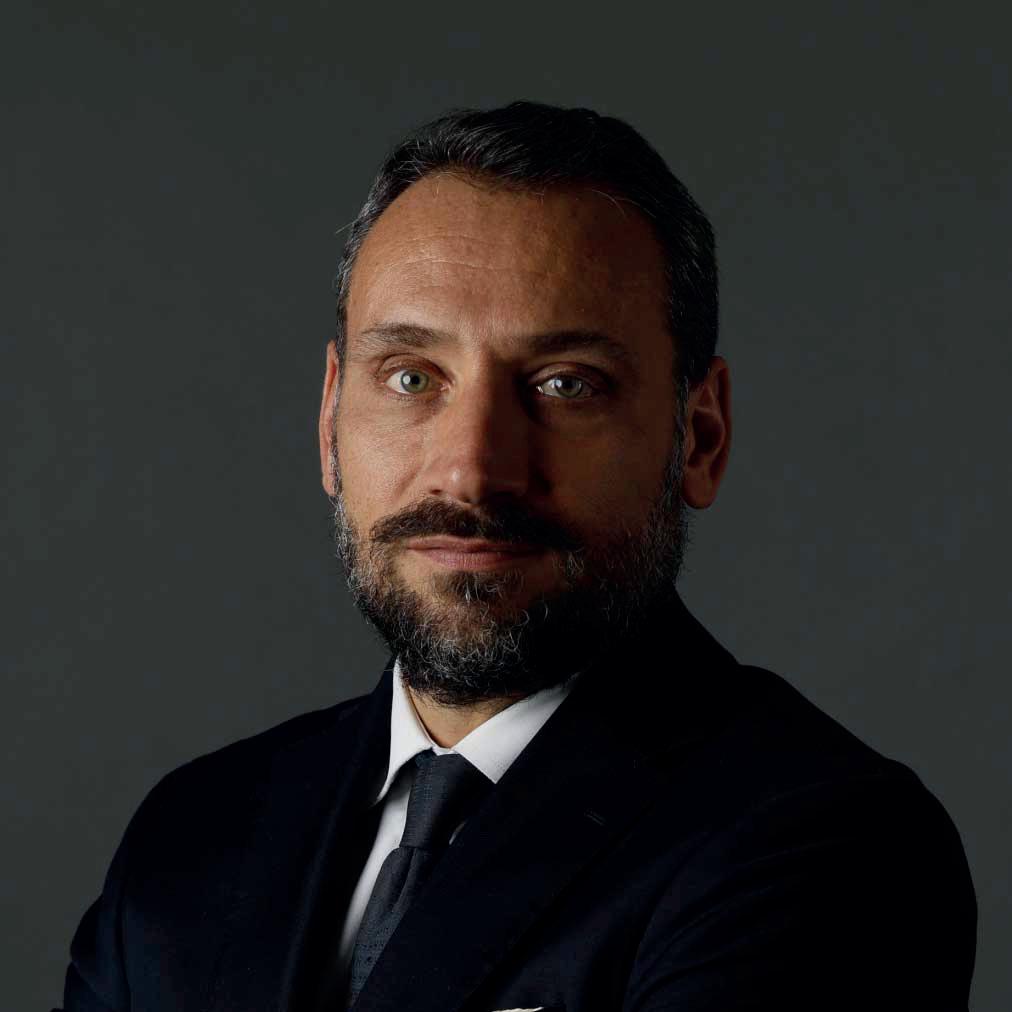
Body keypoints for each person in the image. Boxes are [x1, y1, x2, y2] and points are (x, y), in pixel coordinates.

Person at [57, 101, 977, 1012]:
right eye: (411, 377)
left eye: (565, 384)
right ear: (332, 419)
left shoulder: (830, 846)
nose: (471, 468)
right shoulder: (195, 835)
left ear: (699, 436)